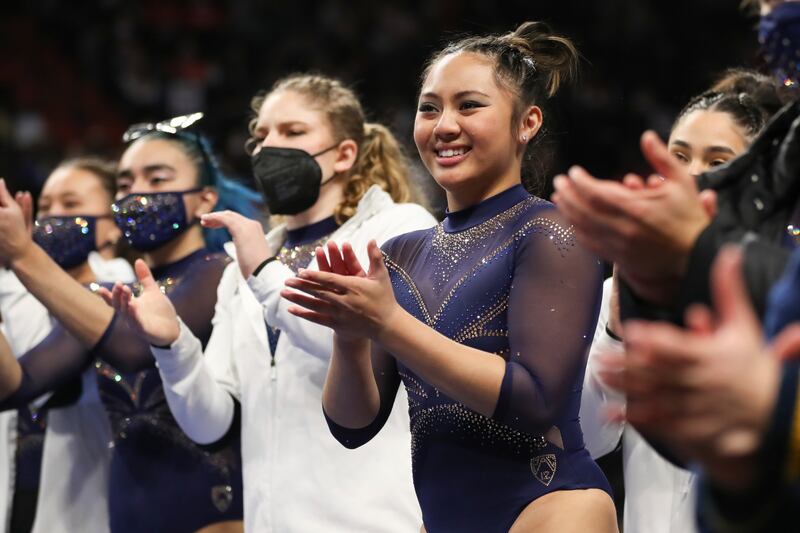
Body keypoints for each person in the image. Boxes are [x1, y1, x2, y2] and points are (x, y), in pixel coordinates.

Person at [281, 22, 618, 533]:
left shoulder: (550, 231)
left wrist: (388, 324)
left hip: (550, 507)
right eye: (430, 107)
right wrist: (351, 339)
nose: (444, 125)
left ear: (526, 122)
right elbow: (353, 426)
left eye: (469, 105)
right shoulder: (400, 254)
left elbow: (535, 399)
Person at [106, 74, 434, 531]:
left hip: (375, 520)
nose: (268, 147)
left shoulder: (397, 228)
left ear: (344, 154)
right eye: (260, 136)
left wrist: (263, 273)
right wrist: (173, 345)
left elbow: (360, 343)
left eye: (292, 132)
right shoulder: (246, 263)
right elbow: (210, 425)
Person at [0, 114, 259, 533]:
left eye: (156, 179)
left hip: (211, 516)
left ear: (206, 199)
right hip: (127, 516)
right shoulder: (113, 293)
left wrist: (22, 255)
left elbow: (135, 347)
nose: (136, 192)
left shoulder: (220, 274)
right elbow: (18, 383)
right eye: (124, 183)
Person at [580, 69, 794, 533]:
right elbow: (586, 438)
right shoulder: (623, 288)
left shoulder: (783, 291)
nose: (691, 174)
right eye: (678, 156)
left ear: (755, 176)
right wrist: (616, 331)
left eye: (718, 159)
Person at [0, 157, 133, 533]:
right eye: (45, 207)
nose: (54, 216)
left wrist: (22, 259)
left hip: (89, 508)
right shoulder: (11, 288)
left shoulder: (121, 290)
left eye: (71, 205)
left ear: (112, 227)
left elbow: (26, 382)